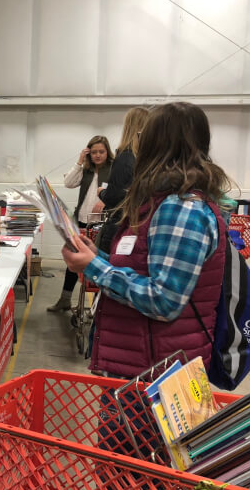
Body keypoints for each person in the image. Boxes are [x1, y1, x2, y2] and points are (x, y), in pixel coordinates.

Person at [61, 102, 231, 378]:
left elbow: (163, 299)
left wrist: (95, 267)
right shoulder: (165, 200)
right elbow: (146, 269)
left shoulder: (180, 208)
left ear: (156, 144)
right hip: (142, 364)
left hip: (156, 377)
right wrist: (97, 257)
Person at [47, 135, 112, 312]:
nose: (98, 155)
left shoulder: (114, 170)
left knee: (96, 265)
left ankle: (96, 307)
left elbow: (122, 193)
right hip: (81, 222)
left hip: (101, 226)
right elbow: (68, 183)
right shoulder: (86, 170)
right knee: (73, 263)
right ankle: (65, 299)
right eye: (94, 152)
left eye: (101, 151)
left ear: (108, 152)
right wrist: (79, 162)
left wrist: (107, 200)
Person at [96, 107, 149, 254]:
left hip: (120, 226)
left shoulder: (126, 157)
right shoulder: (146, 160)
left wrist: (101, 193)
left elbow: (114, 198)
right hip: (136, 226)